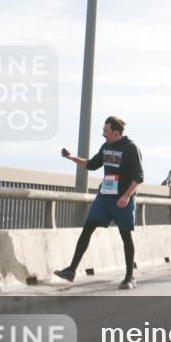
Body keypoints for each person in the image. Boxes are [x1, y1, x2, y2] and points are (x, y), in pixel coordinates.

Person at [53, 116, 144, 290]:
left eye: (106, 131)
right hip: (105, 197)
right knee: (87, 228)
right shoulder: (106, 147)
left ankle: (129, 277)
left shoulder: (131, 148)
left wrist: (126, 196)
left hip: (122, 200)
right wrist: (71, 157)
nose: (103, 134)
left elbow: (139, 177)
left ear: (116, 133)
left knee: (125, 236)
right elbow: (92, 164)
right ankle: (71, 271)